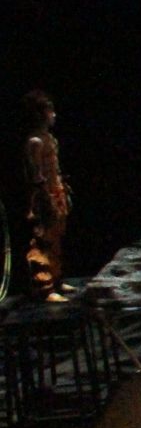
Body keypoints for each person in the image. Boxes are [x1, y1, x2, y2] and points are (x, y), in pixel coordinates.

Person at [21, 90, 73, 302]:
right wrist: (44, 197)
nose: (54, 115)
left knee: (56, 237)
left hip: (56, 191)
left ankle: (57, 278)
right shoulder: (34, 141)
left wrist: (62, 190)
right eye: (50, 111)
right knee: (43, 239)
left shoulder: (48, 138)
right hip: (43, 195)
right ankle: (44, 285)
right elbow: (35, 173)